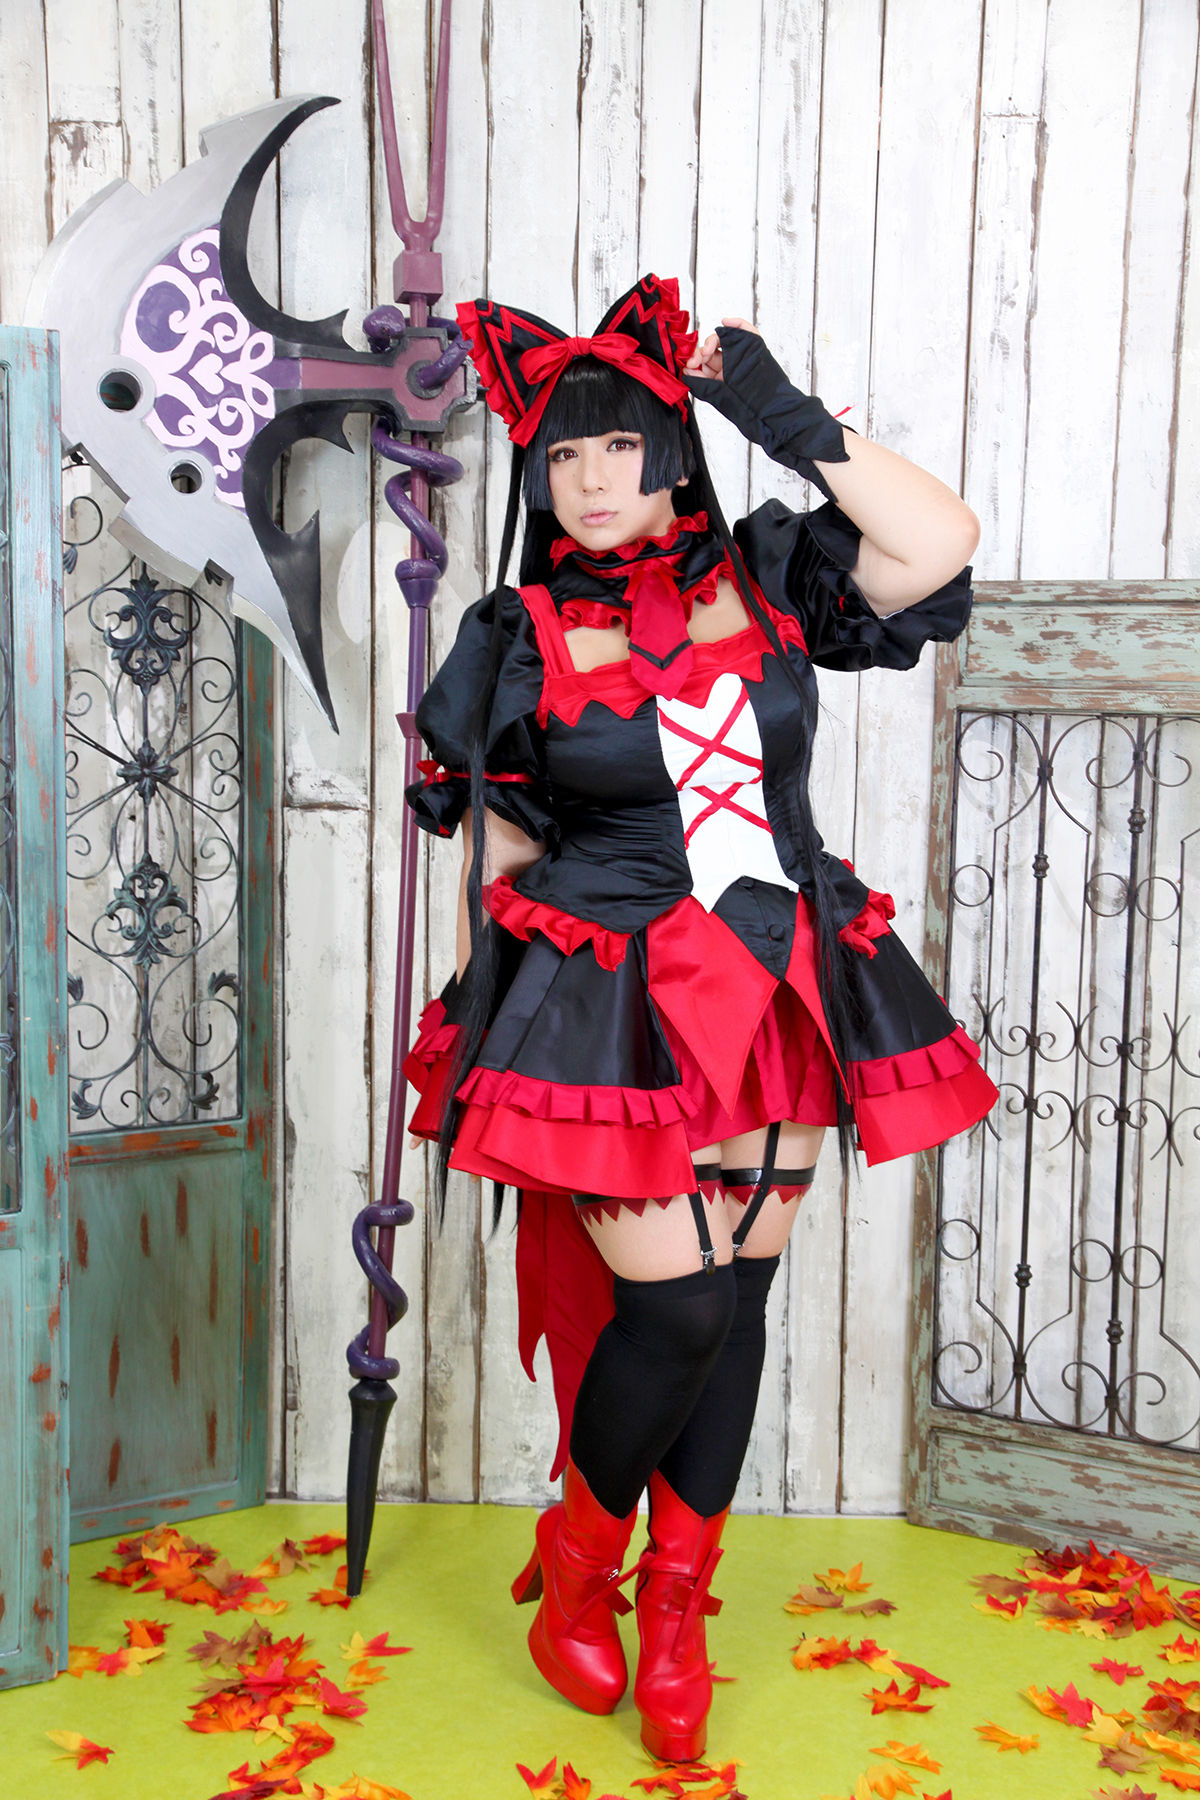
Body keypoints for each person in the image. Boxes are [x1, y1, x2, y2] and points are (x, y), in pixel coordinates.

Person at [403, 274, 999, 1761]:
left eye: (622, 445)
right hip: (611, 1002)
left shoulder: (774, 575)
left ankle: (678, 1605)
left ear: (673, 450)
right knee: (676, 1306)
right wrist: (494, 1013)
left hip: (783, 981)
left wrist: (778, 414)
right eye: (564, 455)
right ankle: (579, 1571)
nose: (593, 479)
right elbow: (499, 845)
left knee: (735, 1306)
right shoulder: (518, 631)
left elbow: (939, 543)